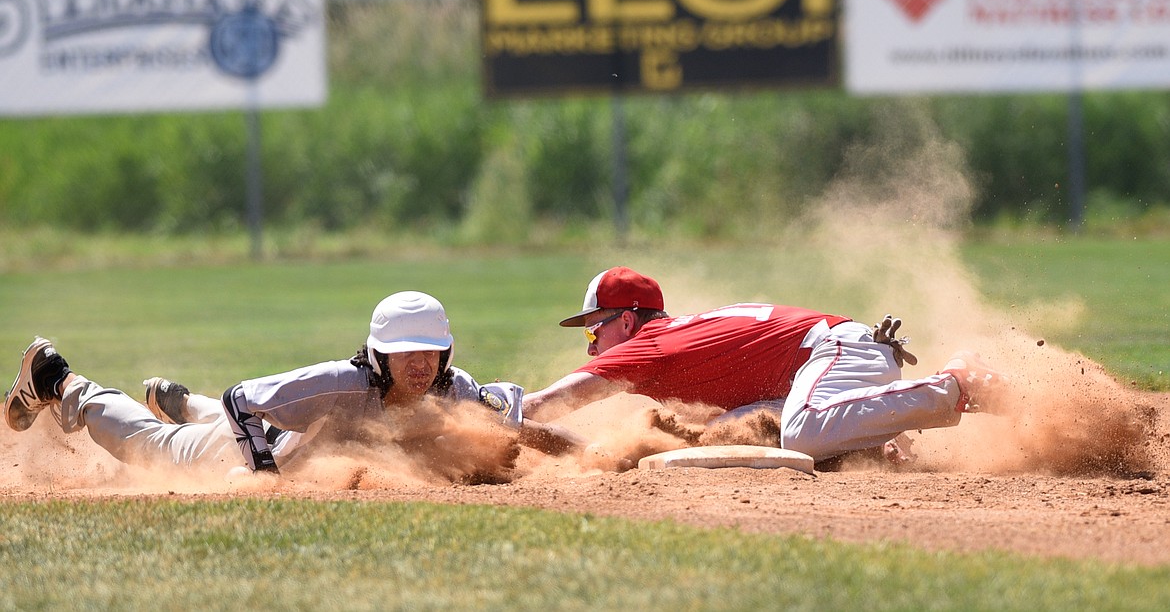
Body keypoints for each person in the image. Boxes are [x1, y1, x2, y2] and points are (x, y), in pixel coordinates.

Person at [5, 291, 584, 478]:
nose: (420, 366)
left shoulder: (452, 394)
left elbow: (516, 427)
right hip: (235, 444)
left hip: (277, 432)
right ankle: (59, 380)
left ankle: (180, 403)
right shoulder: (337, 383)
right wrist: (262, 474)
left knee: (243, 420)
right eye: (406, 354)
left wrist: (593, 453)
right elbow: (243, 400)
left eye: (430, 353)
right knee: (150, 449)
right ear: (380, 356)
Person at [521, 266, 1010, 464]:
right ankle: (874, 442)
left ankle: (955, 384)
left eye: (594, 330)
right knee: (728, 434)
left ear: (626, 322)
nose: (591, 346)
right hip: (828, 362)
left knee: (800, 433)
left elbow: (545, 404)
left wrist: (482, 415)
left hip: (836, 352)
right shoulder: (671, 336)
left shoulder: (649, 344)